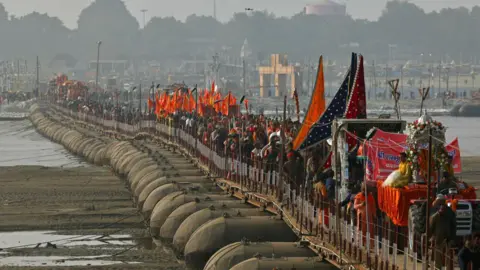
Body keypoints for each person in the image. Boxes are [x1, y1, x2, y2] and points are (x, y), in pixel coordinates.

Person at [429, 196, 456, 269]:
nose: (442, 206)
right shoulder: (434, 215)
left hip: (447, 240)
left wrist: (452, 238)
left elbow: (453, 226)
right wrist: (431, 239)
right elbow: (431, 228)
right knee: (438, 258)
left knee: (448, 258)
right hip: (438, 240)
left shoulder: (449, 212)